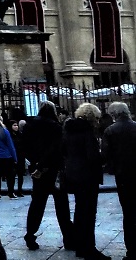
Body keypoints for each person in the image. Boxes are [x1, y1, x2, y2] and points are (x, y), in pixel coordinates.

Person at [22, 100, 73, 251]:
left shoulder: (29, 125)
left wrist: (35, 164)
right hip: (54, 170)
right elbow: (56, 149)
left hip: (38, 172)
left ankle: (30, 234)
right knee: (62, 206)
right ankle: (68, 239)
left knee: (37, 204)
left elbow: (24, 147)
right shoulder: (55, 126)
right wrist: (43, 165)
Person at [62, 103, 109, 260]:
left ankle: (80, 246)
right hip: (88, 177)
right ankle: (89, 248)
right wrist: (103, 156)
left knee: (79, 211)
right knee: (89, 213)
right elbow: (93, 157)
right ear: (92, 117)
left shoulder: (68, 129)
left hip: (73, 175)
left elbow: (64, 151)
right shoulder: (87, 132)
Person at [101, 101, 136, 260]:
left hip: (123, 176)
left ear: (114, 114)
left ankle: (132, 250)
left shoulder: (110, 131)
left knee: (128, 213)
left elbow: (105, 155)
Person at [10, 119, 27, 197]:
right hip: (13, 156)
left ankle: (20, 190)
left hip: (20, 156)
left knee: (20, 174)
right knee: (12, 175)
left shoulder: (21, 134)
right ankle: (12, 190)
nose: (16, 127)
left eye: (17, 125)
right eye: (14, 125)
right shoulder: (9, 135)